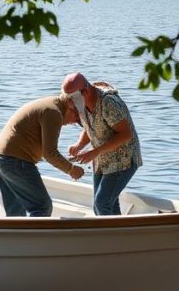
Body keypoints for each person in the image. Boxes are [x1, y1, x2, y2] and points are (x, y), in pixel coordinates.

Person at [0, 92, 85, 216]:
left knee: (15, 212)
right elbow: (50, 153)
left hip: (0, 158)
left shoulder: (49, 104)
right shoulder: (54, 112)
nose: (74, 122)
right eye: (76, 117)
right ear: (69, 103)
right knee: (42, 207)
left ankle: (16, 235)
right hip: (16, 161)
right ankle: (35, 236)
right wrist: (71, 169)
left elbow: (39, 146)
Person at [61, 72, 142, 215]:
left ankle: (109, 236)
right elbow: (91, 127)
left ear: (85, 91)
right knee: (105, 205)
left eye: (72, 98)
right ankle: (118, 235)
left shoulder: (109, 102)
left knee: (102, 204)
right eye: (68, 98)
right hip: (102, 161)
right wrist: (79, 145)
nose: (70, 103)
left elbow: (126, 134)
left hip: (123, 160)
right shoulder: (81, 103)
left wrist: (95, 151)